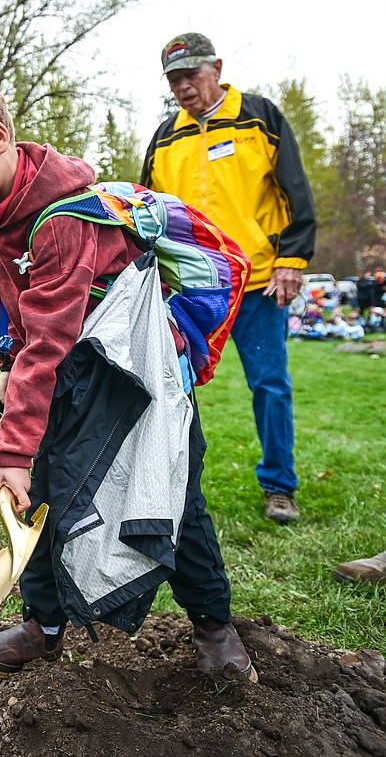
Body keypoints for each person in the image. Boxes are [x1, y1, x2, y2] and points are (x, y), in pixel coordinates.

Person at [0, 68, 253, 683]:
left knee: (173, 499)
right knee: (43, 497)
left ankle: (214, 626)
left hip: (137, 377)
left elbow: (50, 340)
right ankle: (45, 625)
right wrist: (9, 373)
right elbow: (25, 317)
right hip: (71, 373)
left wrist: (10, 446)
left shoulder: (64, 218)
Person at [142, 33, 316, 525]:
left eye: (191, 75)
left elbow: (296, 193)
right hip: (193, 288)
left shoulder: (259, 118)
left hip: (258, 280)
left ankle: (279, 487)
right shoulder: (164, 136)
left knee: (270, 385)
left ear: (216, 67)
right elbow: (147, 211)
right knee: (167, 386)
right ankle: (163, 486)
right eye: (174, 79)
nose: (183, 87)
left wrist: (293, 259)